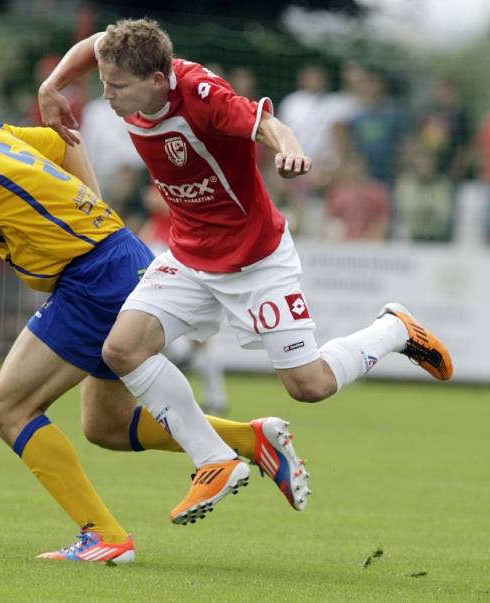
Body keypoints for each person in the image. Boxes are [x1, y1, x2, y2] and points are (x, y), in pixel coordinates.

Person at [0, 76, 310, 565]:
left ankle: (103, 535)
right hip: (113, 259)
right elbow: (66, 142)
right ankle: (251, 439)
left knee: (8, 409)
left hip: (91, 280)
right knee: (105, 424)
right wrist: (94, 209)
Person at [38, 18, 453, 525]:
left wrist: (292, 150)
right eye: (103, 82)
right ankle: (214, 460)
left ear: (156, 78)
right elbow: (94, 43)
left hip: (256, 260)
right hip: (189, 256)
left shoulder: (204, 95)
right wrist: (53, 84)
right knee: (121, 349)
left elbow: (267, 126)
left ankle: (394, 329)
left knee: (310, 386)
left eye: (118, 86)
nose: (107, 94)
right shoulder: (127, 61)